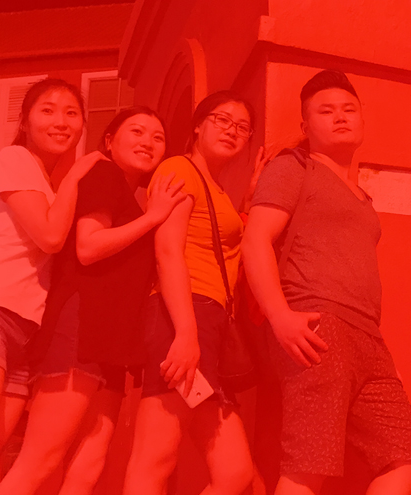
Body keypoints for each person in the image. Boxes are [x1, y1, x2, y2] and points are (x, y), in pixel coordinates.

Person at [243, 69, 411, 495]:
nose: (340, 117)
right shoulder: (294, 167)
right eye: (326, 111)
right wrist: (280, 317)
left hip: (368, 338)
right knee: (309, 464)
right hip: (317, 324)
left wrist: (378, 349)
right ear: (306, 126)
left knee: (406, 453)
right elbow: (255, 240)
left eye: (348, 109)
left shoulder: (362, 196)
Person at [0, 107, 185, 495]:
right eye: (137, 131)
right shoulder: (103, 174)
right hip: (80, 326)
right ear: (109, 141)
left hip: (112, 340)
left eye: (157, 137)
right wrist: (153, 219)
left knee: (90, 463)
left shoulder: (131, 197)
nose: (148, 142)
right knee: (41, 459)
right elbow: (88, 246)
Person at [0, 79, 102, 495]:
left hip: (23, 332)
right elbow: (50, 236)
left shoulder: (46, 183)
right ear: (24, 122)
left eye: (71, 113)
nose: (61, 121)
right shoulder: (14, 159)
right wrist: (76, 174)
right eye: (48, 110)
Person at [123, 91, 257, 495]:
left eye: (242, 127)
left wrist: (250, 200)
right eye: (222, 120)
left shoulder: (216, 189)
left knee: (235, 472)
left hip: (209, 322)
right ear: (197, 126)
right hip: (183, 315)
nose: (232, 131)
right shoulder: (178, 168)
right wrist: (185, 332)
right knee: (155, 457)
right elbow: (168, 251)